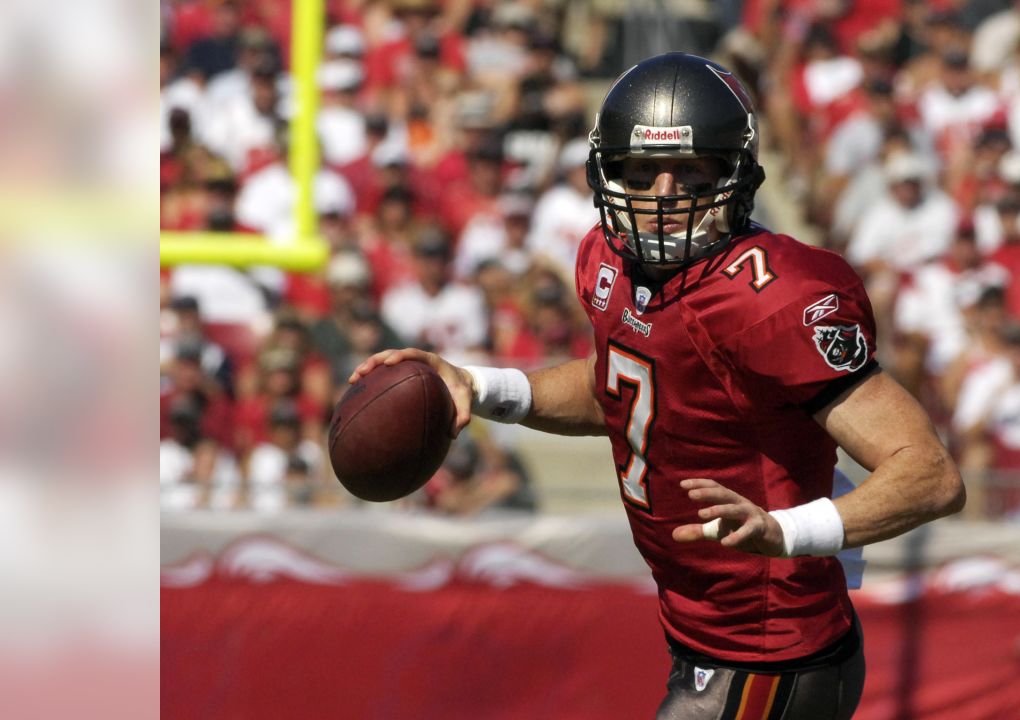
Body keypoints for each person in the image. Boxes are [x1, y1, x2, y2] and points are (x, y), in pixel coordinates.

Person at [349, 53, 964, 719]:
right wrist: (482, 384)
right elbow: (622, 385)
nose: (664, 194)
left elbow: (929, 474)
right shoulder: (607, 259)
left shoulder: (774, 297)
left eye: (690, 170)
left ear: (737, 174)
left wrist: (786, 530)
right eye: (640, 173)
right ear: (605, 173)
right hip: (702, 636)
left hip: (771, 655)